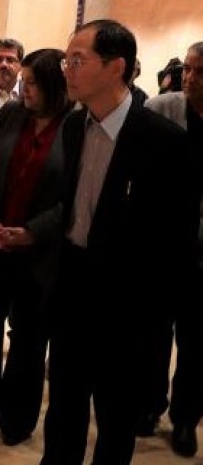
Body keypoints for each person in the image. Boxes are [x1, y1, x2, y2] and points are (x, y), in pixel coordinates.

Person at [41, 19, 198, 464]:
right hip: (73, 291)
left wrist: (155, 319)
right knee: (63, 411)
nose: (67, 70)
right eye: (65, 60)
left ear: (116, 68)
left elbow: (177, 244)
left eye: (77, 60)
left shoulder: (164, 142)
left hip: (127, 307)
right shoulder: (74, 126)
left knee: (115, 419)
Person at [0, 49, 72, 446]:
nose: (25, 89)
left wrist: (33, 232)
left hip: (40, 252)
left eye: (33, 83)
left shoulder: (75, 125)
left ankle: (17, 416)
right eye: (25, 81)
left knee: (29, 336)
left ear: (55, 86)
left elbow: (75, 196)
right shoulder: (11, 114)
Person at [139, 41, 203, 457]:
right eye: (188, 70)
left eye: (200, 72)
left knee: (196, 342)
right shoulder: (161, 109)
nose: (190, 78)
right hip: (161, 245)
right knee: (153, 333)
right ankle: (149, 405)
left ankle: (185, 418)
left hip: (201, 253)